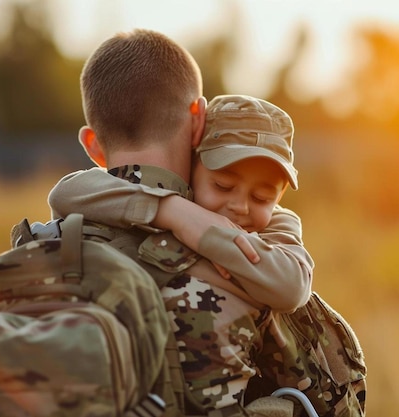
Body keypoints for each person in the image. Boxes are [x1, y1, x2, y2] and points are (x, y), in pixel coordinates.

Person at [47, 29, 312, 417]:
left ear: (92, 145)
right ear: (197, 125)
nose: (239, 206)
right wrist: (174, 211)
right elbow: (66, 190)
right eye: (223, 184)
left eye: (262, 197)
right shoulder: (175, 205)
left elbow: (290, 284)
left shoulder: (57, 236)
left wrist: (193, 225)